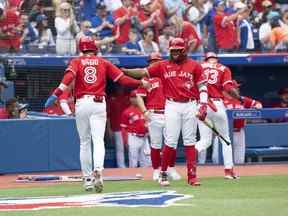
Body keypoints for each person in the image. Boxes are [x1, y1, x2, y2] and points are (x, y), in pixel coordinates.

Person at [44, 36, 150, 193]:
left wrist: (56, 94)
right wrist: (141, 82)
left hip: (82, 103)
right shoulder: (104, 62)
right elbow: (124, 80)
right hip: (99, 103)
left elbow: (67, 78)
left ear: (81, 48)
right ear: (95, 48)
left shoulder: (76, 61)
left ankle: (87, 179)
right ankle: (98, 170)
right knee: (98, 140)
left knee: (84, 143)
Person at [122, 37, 208, 187]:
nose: (174, 53)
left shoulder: (195, 65)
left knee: (190, 141)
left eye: (177, 50)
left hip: (190, 104)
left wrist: (203, 104)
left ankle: (192, 176)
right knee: (170, 141)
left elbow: (202, 87)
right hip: (172, 105)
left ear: (184, 50)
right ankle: (162, 173)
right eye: (172, 50)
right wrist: (125, 71)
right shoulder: (162, 65)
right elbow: (143, 72)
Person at [196, 52, 251, 179]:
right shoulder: (223, 68)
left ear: (206, 59)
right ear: (216, 59)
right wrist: (239, 98)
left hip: (202, 104)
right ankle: (228, 171)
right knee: (225, 140)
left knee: (204, 141)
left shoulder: (198, 67)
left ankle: (191, 157)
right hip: (217, 105)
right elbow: (228, 88)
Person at [134, 52, 181, 181]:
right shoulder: (146, 79)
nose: (154, 63)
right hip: (154, 113)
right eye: (152, 61)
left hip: (169, 112)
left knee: (172, 143)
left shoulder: (168, 76)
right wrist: (144, 112)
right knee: (155, 144)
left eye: (157, 61)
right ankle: (156, 170)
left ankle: (170, 168)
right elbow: (139, 96)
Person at [223, 80, 262, 164]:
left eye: (237, 87)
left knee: (239, 160)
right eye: (235, 87)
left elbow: (257, 103)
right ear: (229, 89)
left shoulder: (242, 99)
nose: (237, 89)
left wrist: (258, 106)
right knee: (219, 160)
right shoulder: (220, 100)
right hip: (224, 132)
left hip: (239, 131)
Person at [120, 90, 151, 168]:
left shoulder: (145, 110)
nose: (136, 99)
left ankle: (146, 179)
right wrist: (125, 141)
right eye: (134, 97)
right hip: (133, 137)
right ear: (130, 99)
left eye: (137, 97)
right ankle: (133, 178)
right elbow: (123, 128)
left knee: (147, 161)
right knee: (133, 161)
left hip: (144, 138)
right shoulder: (127, 112)